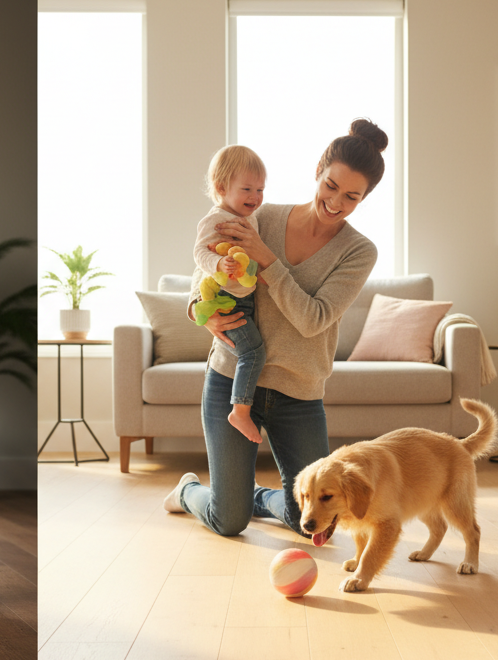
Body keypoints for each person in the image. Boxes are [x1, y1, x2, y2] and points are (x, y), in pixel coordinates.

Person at [164, 119, 386, 541]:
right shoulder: (257, 215)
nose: (336, 202)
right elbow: (204, 271)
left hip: (298, 393)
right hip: (231, 378)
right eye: (331, 185)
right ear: (319, 171)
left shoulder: (359, 251)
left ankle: (256, 496)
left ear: (364, 198)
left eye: (352, 196)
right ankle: (189, 490)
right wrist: (199, 310)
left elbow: (313, 319)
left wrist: (267, 260)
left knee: (314, 525)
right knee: (228, 521)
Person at [193, 144, 267, 443]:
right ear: (221, 188)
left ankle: (241, 409)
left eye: (261, 189)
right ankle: (240, 410)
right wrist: (217, 263)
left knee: (252, 350)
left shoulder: (251, 218)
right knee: (253, 352)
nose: (256, 197)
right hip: (228, 300)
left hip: (243, 297)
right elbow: (200, 251)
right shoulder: (216, 219)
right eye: (247, 189)